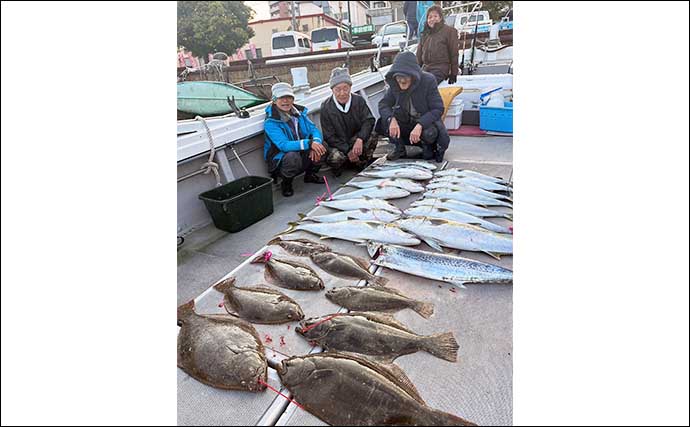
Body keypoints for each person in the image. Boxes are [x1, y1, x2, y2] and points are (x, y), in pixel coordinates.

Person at [377, 51, 450, 163]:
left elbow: (438, 108)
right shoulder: (394, 85)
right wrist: (391, 119)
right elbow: (383, 104)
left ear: (413, 75)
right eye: (398, 77)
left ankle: (428, 148)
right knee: (383, 122)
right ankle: (399, 148)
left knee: (429, 132)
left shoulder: (428, 80)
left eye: (405, 77)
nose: (401, 80)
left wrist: (420, 124)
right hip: (406, 122)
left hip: (424, 124)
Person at [263, 82, 326, 197]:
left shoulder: (300, 113)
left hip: (301, 151)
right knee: (292, 157)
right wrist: (309, 143)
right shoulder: (270, 122)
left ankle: (310, 175)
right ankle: (286, 184)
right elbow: (283, 145)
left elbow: (314, 130)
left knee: (322, 147)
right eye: (281, 98)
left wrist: (315, 142)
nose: (285, 101)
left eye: (289, 97)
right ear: (274, 100)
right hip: (280, 159)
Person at [319, 68, 377, 177]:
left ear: (350, 87)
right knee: (336, 158)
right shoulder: (326, 106)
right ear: (332, 90)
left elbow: (369, 120)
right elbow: (329, 136)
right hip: (339, 144)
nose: (342, 93)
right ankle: (343, 165)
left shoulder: (359, 100)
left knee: (372, 135)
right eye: (338, 89)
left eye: (345, 88)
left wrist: (360, 139)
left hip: (355, 139)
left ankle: (361, 161)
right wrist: (348, 150)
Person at [416, 4, 459, 84]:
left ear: (440, 18)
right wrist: (414, 71)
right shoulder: (425, 34)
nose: (432, 19)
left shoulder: (449, 31)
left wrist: (454, 73)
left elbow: (454, 53)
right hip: (426, 68)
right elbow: (419, 56)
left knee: (427, 83)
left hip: (441, 68)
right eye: (430, 17)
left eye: (435, 16)